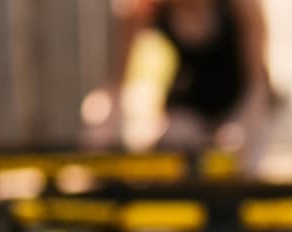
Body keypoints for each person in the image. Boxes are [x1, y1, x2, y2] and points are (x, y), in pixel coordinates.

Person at [83, 0, 272, 173]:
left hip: (243, 104)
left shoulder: (241, 6)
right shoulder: (144, 8)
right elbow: (116, 81)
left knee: (242, 167)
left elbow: (257, 84)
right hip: (190, 106)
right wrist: (104, 116)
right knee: (176, 144)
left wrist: (241, 127)